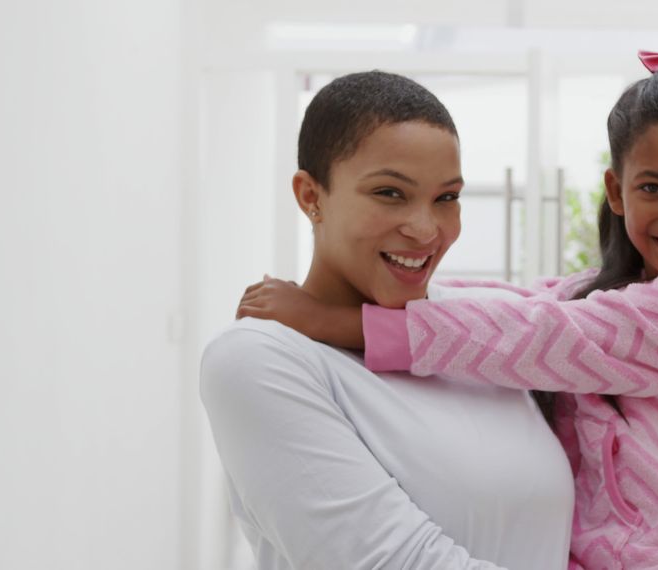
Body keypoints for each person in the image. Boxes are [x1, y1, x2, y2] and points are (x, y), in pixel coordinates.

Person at [242, 52, 658, 569]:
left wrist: (337, 321)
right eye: (654, 187)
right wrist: (411, 284)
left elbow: (542, 333)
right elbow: (531, 302)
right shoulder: (636, 295)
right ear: (617, 190)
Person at [201, 71, 575, 570]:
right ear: (311, 197)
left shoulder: (474, 334)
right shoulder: (259, 360)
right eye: (390, 194)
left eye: (446, 198)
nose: (426, 230)